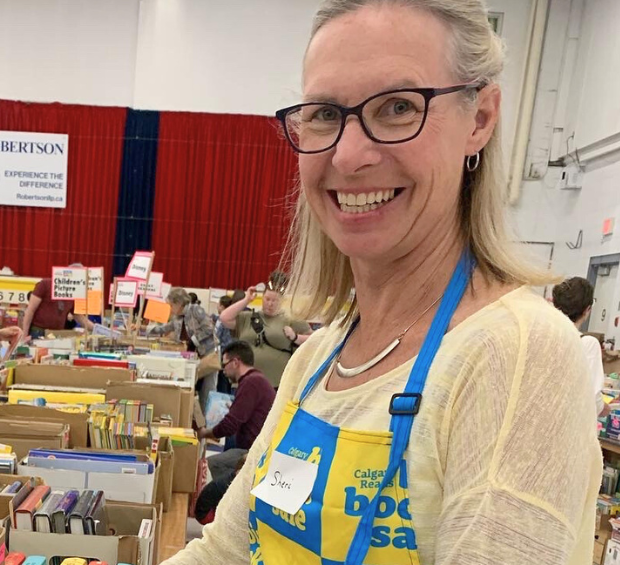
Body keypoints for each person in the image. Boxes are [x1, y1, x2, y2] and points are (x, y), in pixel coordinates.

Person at [166, 2, 601, 564]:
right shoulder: (319, 358)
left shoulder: (517, 355)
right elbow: (226, 551)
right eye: (324, 113)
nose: (348, 155)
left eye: (398, 107)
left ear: (480, 119)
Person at [219, 271, 312, 389]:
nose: (270, 303)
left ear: (282, 301)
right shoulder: (248, 317)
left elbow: (314, 339)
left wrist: (296, 337)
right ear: (262, 298)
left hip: (276, 384)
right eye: (267, 299)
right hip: (245, 383)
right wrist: (246, 300)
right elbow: (224, 318)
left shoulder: (290, 319)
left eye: (275, 300)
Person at [198, 341, 275, 484]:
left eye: (224, 364)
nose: (223, 370)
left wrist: (205, 433)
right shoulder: (255, 380)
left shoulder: (251, 383)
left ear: (235, 362)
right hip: (252, 447)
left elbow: (229, 426)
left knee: (206, 466)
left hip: (252, 452)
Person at [149, 287, 219, 407]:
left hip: (208, 355)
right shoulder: (177, 317)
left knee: (207, 390)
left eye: (171, 306)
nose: (170, 309)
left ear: (179, 303)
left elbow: (209, 328)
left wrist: (193, 340)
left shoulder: (195, 310)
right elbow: (166, 328)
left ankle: (209, 421)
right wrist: (145, 329)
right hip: (193, 357)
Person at [553, 276, 607, 415]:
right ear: (587, 309)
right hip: (569, 423)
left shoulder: (542, 336)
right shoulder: (587, 343)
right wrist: (605, 409)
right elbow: (592, 399)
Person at [19, 264, 94, 337]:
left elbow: (79, 317)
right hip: (39, 332)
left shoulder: (72, 293)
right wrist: (24, 334)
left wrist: (97, 329)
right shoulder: (45, 284)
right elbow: (30, 310)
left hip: (57, 334)